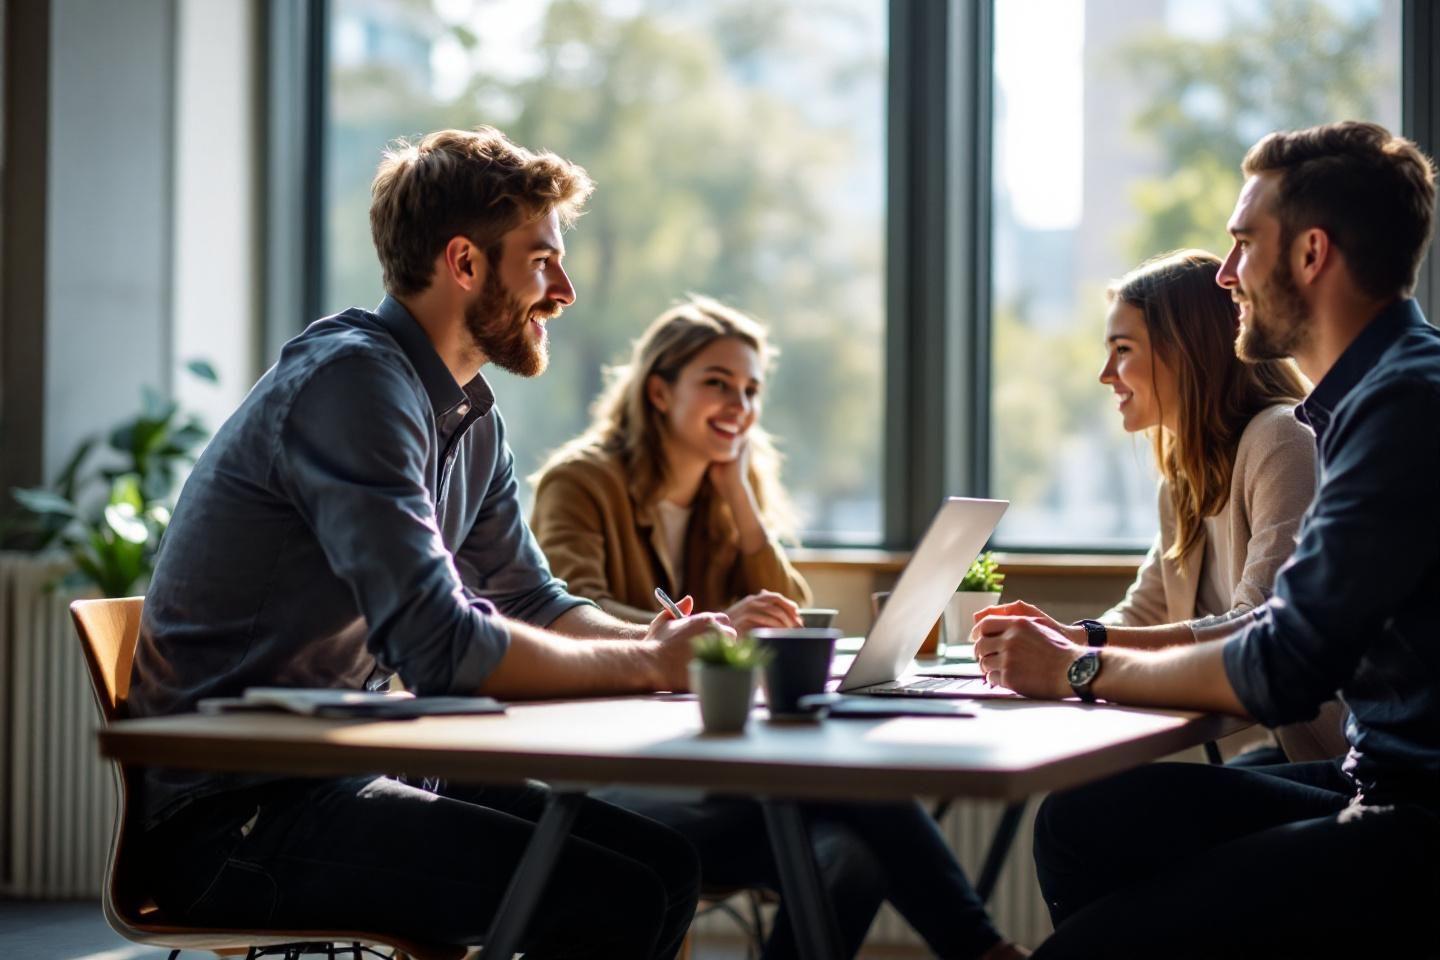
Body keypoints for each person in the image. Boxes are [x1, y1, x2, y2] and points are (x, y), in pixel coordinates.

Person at [127, 127, 734, 959]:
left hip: (347, 771)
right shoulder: (353, 383)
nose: (564, 292)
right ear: (465, 262)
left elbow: (529, 599)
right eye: (542, 261)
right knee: (613, 894)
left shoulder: (468, 414)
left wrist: (659, 644)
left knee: (665, 869)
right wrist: (647, 665)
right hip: (238, 815)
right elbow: (439, 645)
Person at [973, 121, 1440, 957]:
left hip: (1419, 816)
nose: (1226, 275)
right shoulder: (1372, 397)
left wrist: (1079, 666)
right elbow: (1272, 629)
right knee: (1083, 822)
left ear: (1311, 254)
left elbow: (1282, 664)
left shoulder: (1401, 405)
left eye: (1243, 244)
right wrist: (1081, 646)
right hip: (1376, 779)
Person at [531, 297, 1026, 960]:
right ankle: (983, 950)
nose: (739, 404)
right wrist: (707, 631)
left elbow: (792, 612)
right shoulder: (581, 481)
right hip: (616, 775)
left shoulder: (721, 495)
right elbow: (571, 611)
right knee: (852, 777)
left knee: (851, 862)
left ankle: (982, 950)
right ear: (658, 390)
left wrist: (740, 499)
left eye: (751, 390)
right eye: (718, 383)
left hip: (717, 764)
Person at [986, 249, 1346, 764]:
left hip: (1347, 767)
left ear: (1187, 352)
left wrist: (1078, 649)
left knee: (1091, 805)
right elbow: (1146, 610)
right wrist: (1060, 641)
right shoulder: (1183, 480)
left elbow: (1259, 626)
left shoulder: (1282, 438)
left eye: (1123, 349)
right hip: (1293, 751)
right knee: (1104, 800)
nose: (1105, 374)